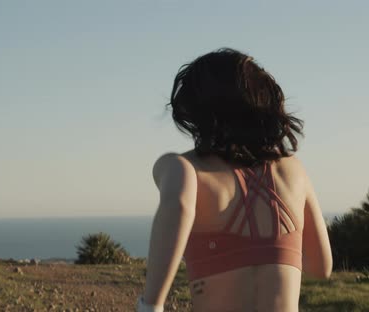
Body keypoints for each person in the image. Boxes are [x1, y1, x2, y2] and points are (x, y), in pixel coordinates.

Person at [138, 48, 332, 312]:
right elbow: (321, 267)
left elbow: (179, 206)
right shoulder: (294, 171)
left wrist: (151, 305)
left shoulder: (183, 167)